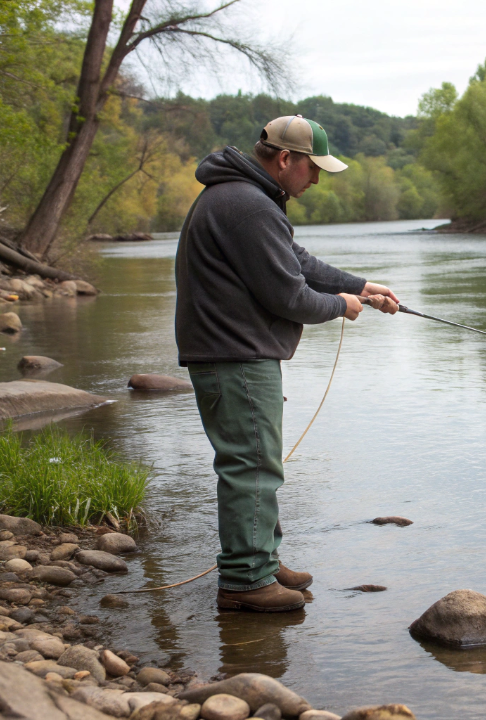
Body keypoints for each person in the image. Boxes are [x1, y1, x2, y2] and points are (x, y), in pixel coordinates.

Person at [175, 115, 399, 612]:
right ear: (284, 159)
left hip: (231, 351)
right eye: (313, 168)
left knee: (259, 460)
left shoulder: (243, 197)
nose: (316, 179)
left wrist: (360, 285)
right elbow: (289, 295)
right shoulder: (247, 205)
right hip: (233, 354)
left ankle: (262, 560)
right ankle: (247, 581)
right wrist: (342, 306)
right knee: (252, 465)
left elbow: (297, 261)